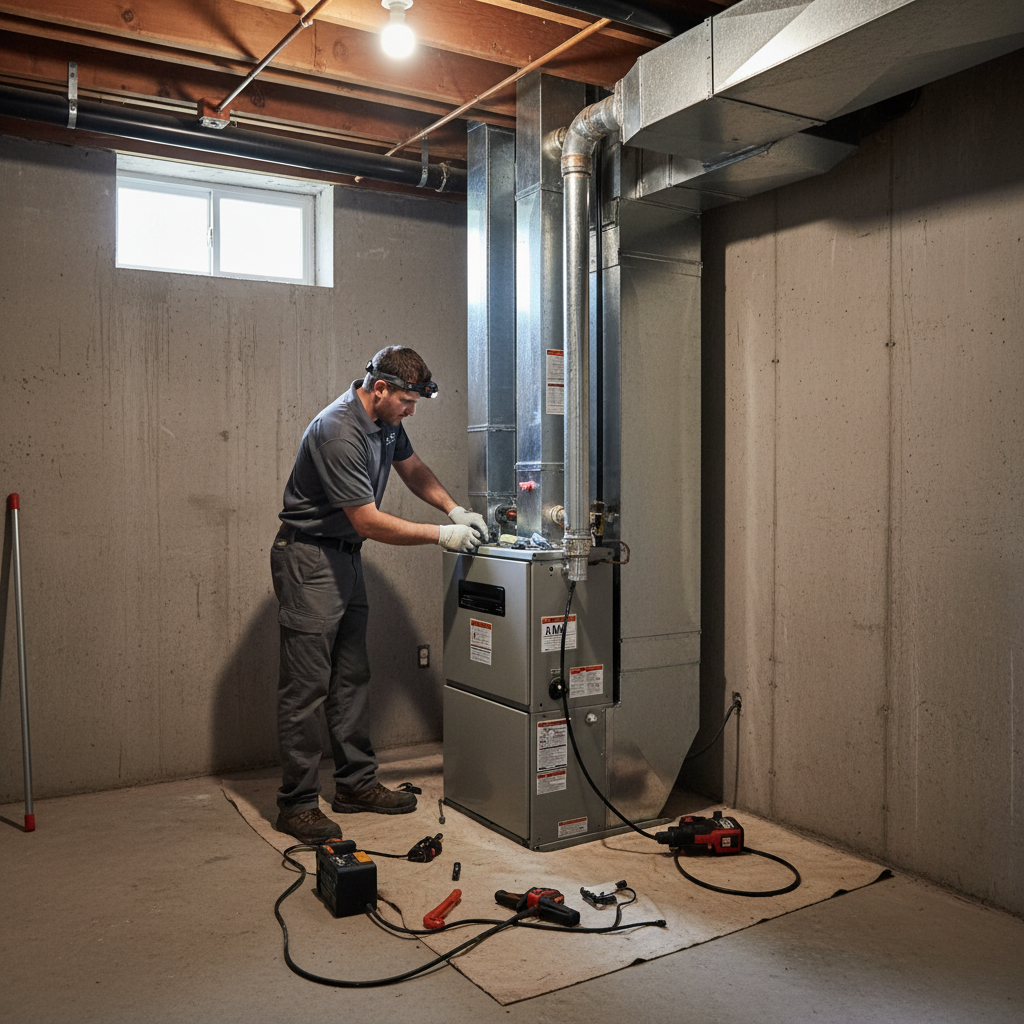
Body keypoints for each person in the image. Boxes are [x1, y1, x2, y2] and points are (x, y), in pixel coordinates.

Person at [270, 346, 488, 844]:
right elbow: (367, 521)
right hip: (308, 558)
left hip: (343, 557)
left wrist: (453, 510)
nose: (411, 411)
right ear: (380, 388)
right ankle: (298, 805)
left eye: (416, 403)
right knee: (306, 688)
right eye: (406, 401)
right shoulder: (338, 431)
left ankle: (355, 784)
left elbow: (411, 468)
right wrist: (440, 536)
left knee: (350, 676)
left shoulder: (386, 421)